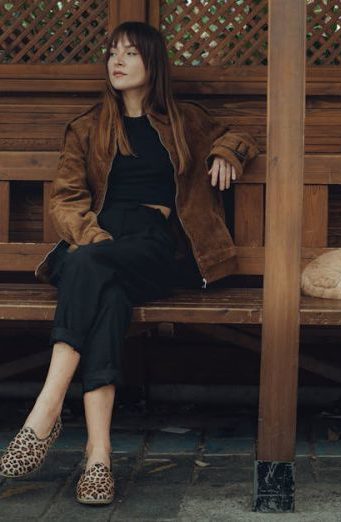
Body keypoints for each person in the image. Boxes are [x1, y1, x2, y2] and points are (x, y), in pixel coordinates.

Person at [0, 21, 258, 505]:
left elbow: (241, 136)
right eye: (112, 52)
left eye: (130, 53)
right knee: (107, 294)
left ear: (152, 64)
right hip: (101, 239)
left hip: (158, 245)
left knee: (86, 267)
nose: (116, 61)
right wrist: (94, 238)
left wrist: (227, 152)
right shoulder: (87, 128)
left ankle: (44, 411)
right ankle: (98, 457)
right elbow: (66, 201)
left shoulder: (188, 121)